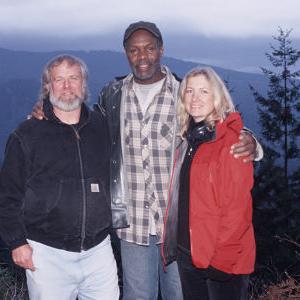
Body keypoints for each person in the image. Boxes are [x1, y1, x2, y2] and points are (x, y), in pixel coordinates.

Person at [31, 21, 261, 300]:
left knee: (181, 294)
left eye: (149, 49)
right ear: (126, 53)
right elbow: (82, 125)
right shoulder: (113, 95)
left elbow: (216, 122)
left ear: (161, 50)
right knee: (138, 295)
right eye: (134, 50)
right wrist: (47, 112)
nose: (142, 57)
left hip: (179, 223)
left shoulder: (182, 91)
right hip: (133, 223)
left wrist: (249, 140)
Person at [0, 55, 119, 299]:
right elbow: (8, 194)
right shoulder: (27, 135)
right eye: (59, 79)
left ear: (84, 84)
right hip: (46, 252)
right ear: (47, 86)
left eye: (73, 78)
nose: (67, 86)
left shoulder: (102, 126)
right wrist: (16, 242)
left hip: (99, 250)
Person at [162, 67, 256, 300]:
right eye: (190, 91)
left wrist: (221, 260)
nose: (195, 98)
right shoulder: (188, 140)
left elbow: (237, 210)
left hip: (221, 260)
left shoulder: (232, 142)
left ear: (217, 96)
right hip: (189, 255)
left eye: (204, 91)